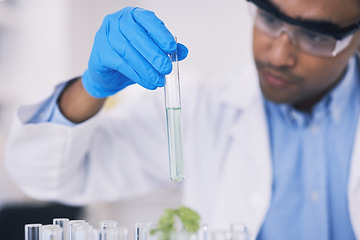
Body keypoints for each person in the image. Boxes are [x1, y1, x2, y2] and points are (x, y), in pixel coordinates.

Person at [4, 0, 360, 239]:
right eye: (268, 18)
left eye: (315, 35)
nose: (280, 54)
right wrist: (91, 88)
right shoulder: (203, 107)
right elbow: (43, 177)